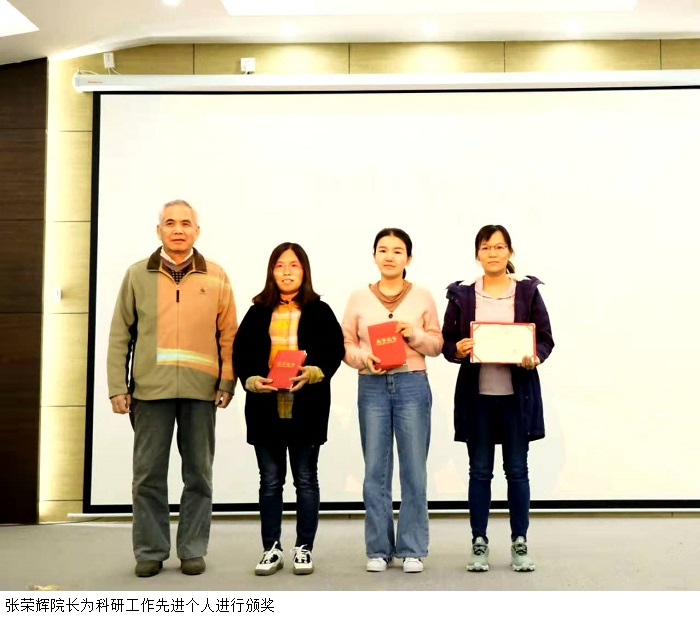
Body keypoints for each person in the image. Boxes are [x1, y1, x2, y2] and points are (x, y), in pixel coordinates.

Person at [107, 199, 238, 578]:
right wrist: (117, 385)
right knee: (148, 475)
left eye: (185, 223)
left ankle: (192, 549)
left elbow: (229, 335)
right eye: (170, 223)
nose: (178, 229)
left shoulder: (216, 275)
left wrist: (227, 380)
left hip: (201, 391)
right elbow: (120, 335)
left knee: (199, 475)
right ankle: (151, 550)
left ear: (197, 231)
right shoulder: (137, 275)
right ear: (159, 230)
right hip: (150, 392)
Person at [441, 224, 554, 573]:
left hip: (516, 400)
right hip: (478, 400)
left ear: (510, 252)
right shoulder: (462, 294)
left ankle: (520, 541)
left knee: (517, 472)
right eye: (486, 247)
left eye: (499, 246)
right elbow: (447, 342)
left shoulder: (527, 292)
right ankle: (479, 541)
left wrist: (534, 357)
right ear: (477, 254)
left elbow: (545, 339)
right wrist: (457, 349)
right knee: (479, 472)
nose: (493, 253)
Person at [233, 242, 344, 576]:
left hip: (306, 407)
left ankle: (303, 548)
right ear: (272, 272)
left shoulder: (319, 310)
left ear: (304, 271)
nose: (286, 271)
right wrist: (252, 379)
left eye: (293, 265)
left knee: (306, 479)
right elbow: (241, 353)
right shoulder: (257, 311)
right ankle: (272, 549)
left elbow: (333, 350)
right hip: (265, 408)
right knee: (270, 481)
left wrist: (313, 372)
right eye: (280, 265)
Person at [341, 228, 443, 574]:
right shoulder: (358, 298)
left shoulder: (423, 296)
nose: (389, 256)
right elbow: (345, 344)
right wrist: (362, 359)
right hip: (371, 385)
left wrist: (414, 334)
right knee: (375, 470)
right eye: (383, 250)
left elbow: (437, 344)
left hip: (412, 383)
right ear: (374, 256)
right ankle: (379, 549)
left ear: (408, 258)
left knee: (414, 469)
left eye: (397, 251)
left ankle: (412, 548)